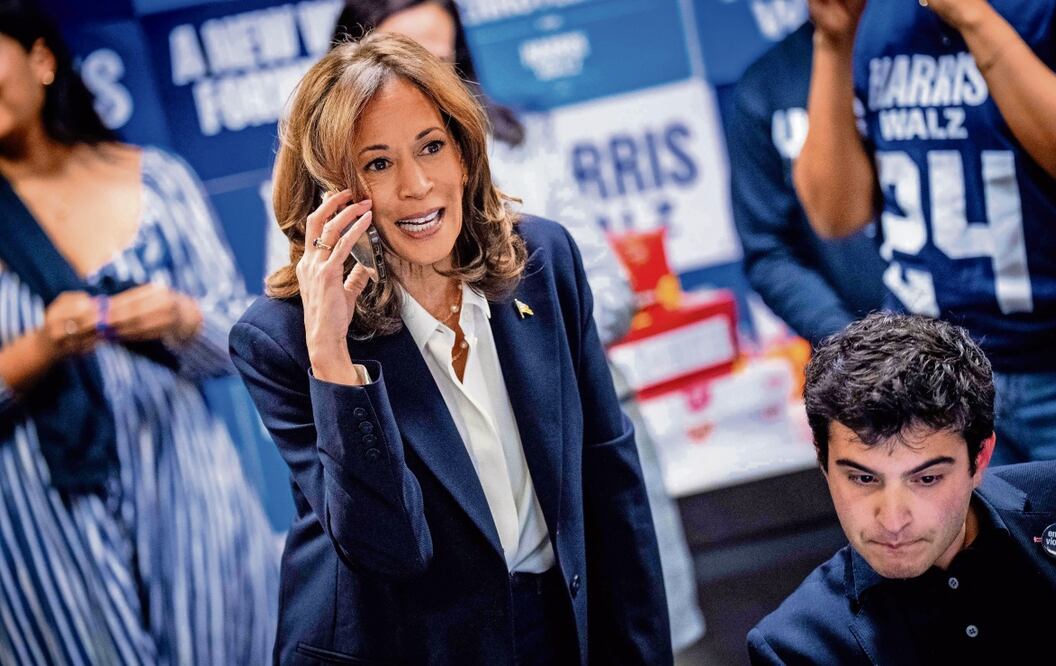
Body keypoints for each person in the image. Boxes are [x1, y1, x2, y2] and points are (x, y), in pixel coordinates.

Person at [230, 32, 671, 665]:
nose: (416, 185)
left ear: (465, 155)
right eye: (376, 164)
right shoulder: (281, 339)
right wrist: (333, 359)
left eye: (431, 147)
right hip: (409, 645)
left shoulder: (543, 261)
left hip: (554, 623)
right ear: (331, 194)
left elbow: (609, 475)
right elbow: (389, 550)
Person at [328, 0, 706, 651]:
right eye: (403, 57)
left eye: (441, 57)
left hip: (575, 464)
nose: (426, 74)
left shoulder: (519, 156)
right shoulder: (332, 217)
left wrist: (501, 292)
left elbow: (606, 295)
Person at [0, 1, 280, 663]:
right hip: (40, 522)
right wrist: (40, 347)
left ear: (41, 59)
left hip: (185, 485)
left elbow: (245, 343)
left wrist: (183, 317)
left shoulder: (159, 181)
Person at [794, 0, 1056, 463]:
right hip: (932, 375)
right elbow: (835, 214)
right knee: (956, 537)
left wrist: (973, 16)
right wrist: (833, 41)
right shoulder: (873, 17)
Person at [747, 312, 1056, 664]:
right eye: (863, 478)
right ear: (823, 461)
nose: (892, 521)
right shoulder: (795, 648)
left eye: (926, 479)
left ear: (980, 458)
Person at [725, 20, 884, 346]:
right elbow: (770, 252)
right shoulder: (765, 87)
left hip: (979, 339)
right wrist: (854, 346)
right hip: (862, 361)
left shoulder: (937, 42)